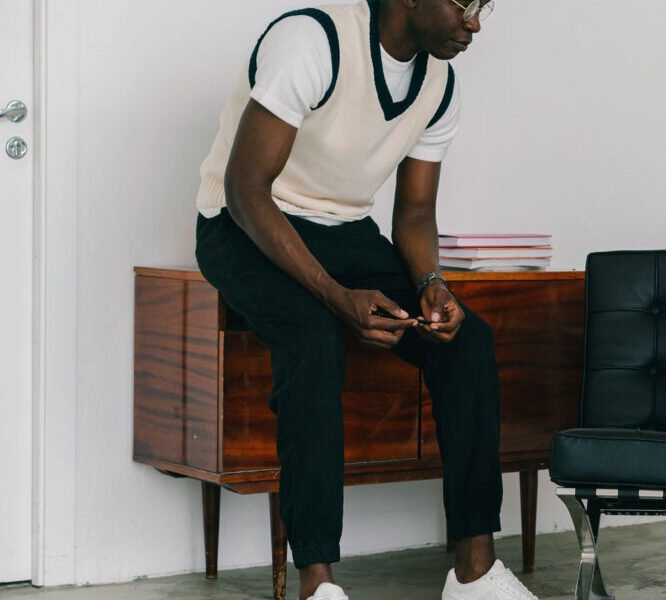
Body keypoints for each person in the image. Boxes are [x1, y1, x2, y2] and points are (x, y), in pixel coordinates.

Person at [193, 1, 538, 599]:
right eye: (465, 4)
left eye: (485, 6)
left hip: (344, 230)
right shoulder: (313, 41)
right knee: (313, 335)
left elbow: (414, 213)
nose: (475, 23)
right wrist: (334, 297)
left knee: (467, 339)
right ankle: (317, 581)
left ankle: (474, 573)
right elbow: (245, 190)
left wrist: (432, 284)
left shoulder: (439, 82)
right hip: (241, 227)